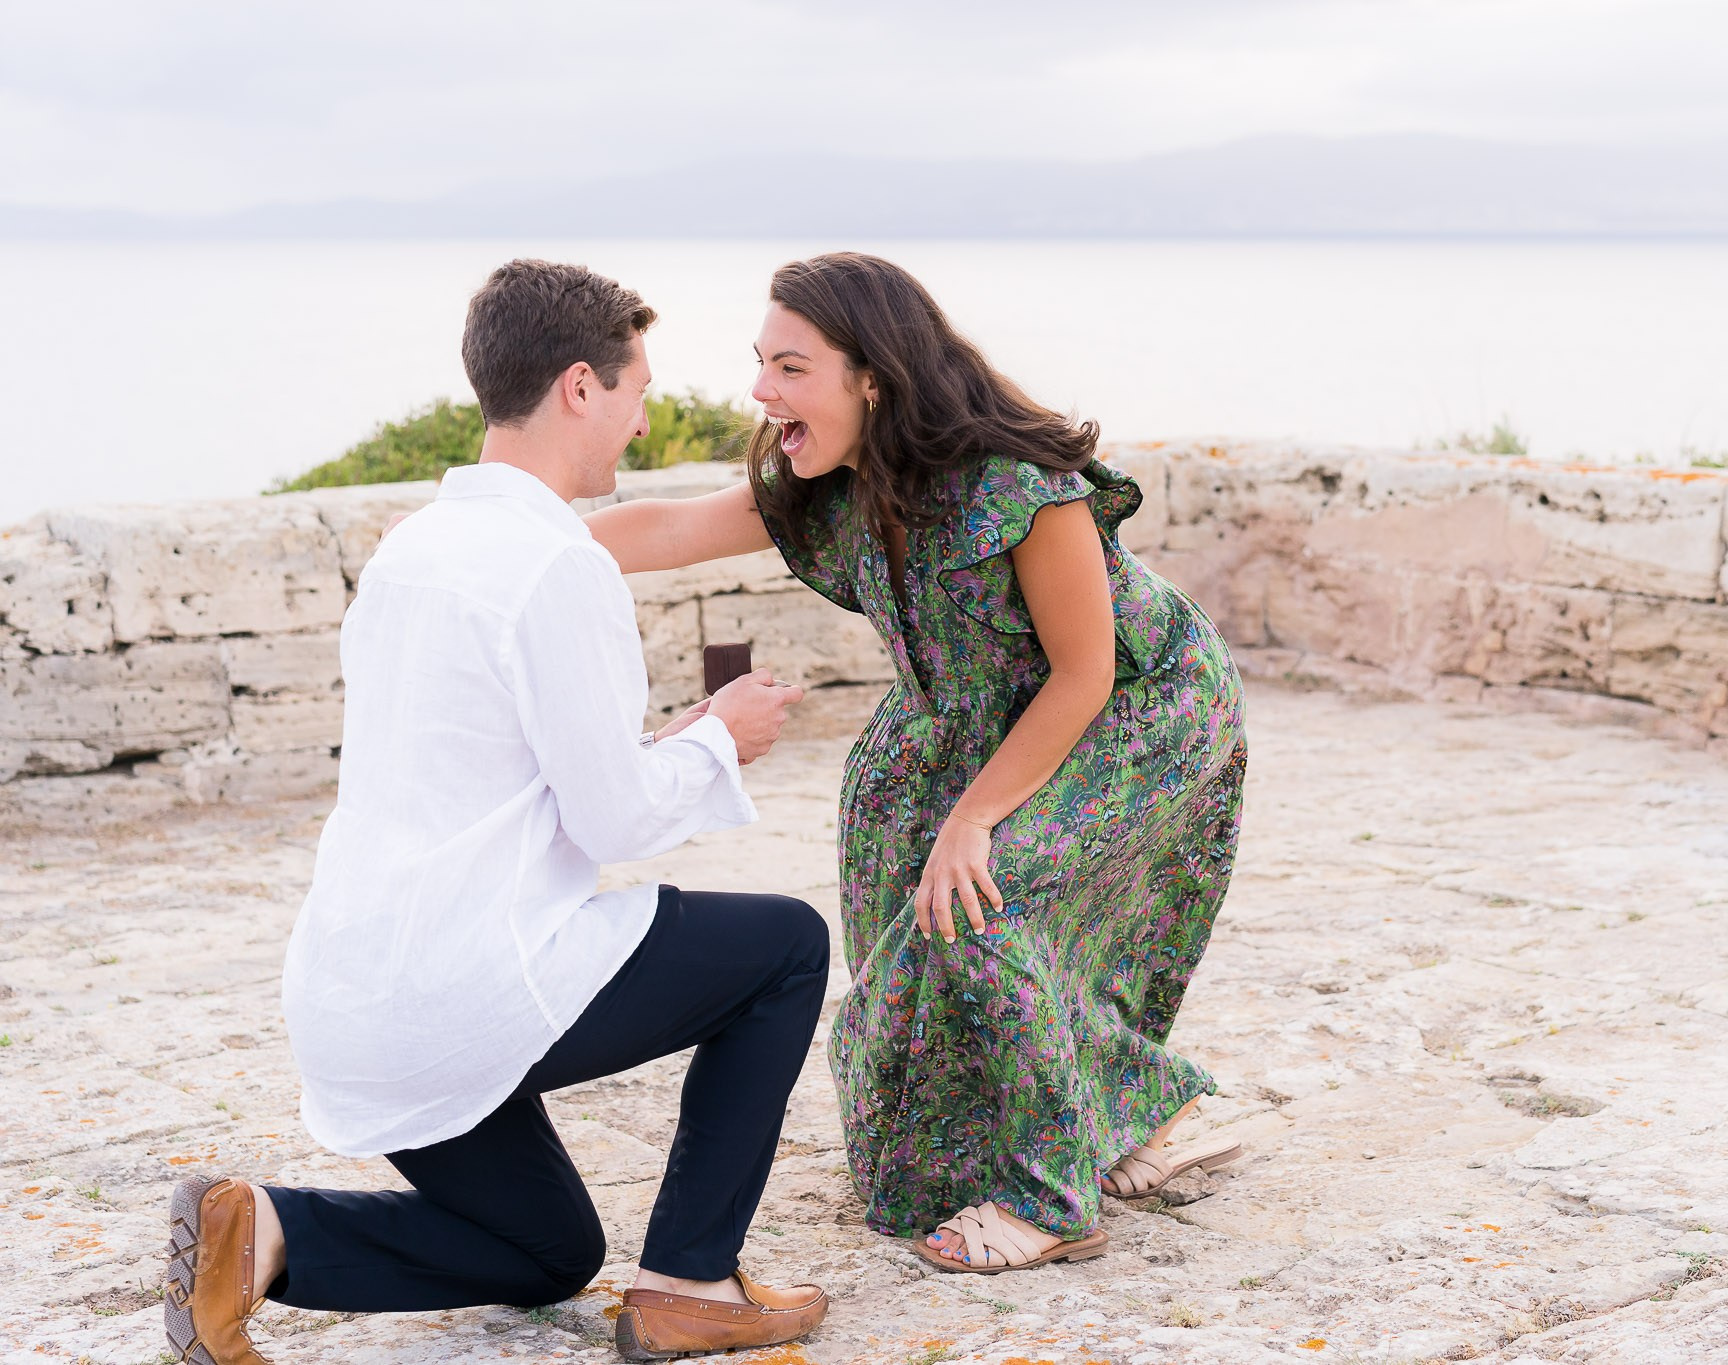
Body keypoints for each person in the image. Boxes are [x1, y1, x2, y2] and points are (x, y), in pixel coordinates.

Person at [163, 260, 829, 1364]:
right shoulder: (554, 566)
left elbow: (515, 782)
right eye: (634, 389)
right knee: (784, 948)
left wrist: (674, 744)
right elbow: (614, 827)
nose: (643, 416)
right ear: (579, 386)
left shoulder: (411, 551)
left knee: (542, 1250)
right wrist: (721, 737)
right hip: (456, 986)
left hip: (354, 994)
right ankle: (689, 1284)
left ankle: (263, 1229)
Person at [584, 252, 1247, 1275]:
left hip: (1137, 709)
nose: (761, 391)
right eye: (760, 363)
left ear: (873, 378)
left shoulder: (1021, 486)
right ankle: (1149, 1112)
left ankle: (1051, 1196)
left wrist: (973, 819)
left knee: (980, 898)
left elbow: (1082, 671)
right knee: (899, 890)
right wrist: (494, 538)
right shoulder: (821, 481)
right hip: (960, 710)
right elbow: (664, 527)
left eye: (791, 368)